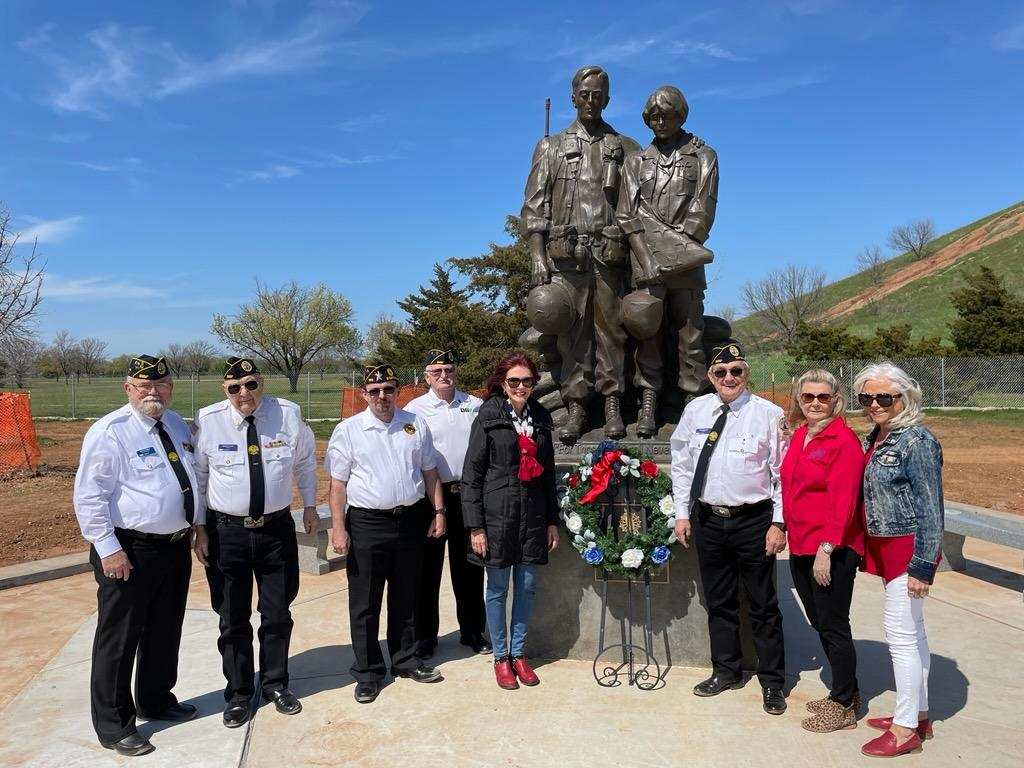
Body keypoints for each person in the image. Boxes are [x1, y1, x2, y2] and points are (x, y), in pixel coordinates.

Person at [72, 355, 200, 757]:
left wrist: (197, 527)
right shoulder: (110, 431)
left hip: (174, 546)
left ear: (171, 388)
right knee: (119, 637)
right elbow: (89, 495)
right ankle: (113, 725)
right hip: (129, 549)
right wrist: (108, 549)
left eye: (160, 385)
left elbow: (189, 476)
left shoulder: (177, 424)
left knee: (164, 629)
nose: (153, 392)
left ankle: (156, 698)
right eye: (143, 386)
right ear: (127, 388)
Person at [191, 357, 318, 727]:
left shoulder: (287, 414)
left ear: (261, 382)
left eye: (250, 384)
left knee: (277, 613)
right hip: (225, 533)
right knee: (232, 618)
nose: (244, 393)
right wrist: (200, 528)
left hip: (276, 532)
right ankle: (239, 693)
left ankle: (276, 683)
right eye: (235, 388)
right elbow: (199, 478)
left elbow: (305, 463)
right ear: (224, 390)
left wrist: (309, 506)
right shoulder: (208, 421)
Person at [521, 65, 640, 441]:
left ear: (608, 98)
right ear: (573, 97)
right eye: (584, 93)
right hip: (566, 258)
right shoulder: (551, 147)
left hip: (609, 255)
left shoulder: (627, 148)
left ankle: (613, 405)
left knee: (612, 334)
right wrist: (538, 257)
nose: (591, 100)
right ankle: (575, 408)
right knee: (572, 338)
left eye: (598, 94)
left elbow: (638, 210)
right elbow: (534, 209)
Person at [669, 343, 788, 715]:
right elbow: (682, 465)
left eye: (735, 371)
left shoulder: (769, 414)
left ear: (746, 372)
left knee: (763, 604)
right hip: (709, 519)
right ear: (710, 377)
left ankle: (772, 683)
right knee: (718, 601)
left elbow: (781, 474)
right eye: (720, 373)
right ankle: (726, 670)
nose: (728, 379)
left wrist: (779, 522)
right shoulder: (696, 410)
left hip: (753, 521)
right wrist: (682, 514)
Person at [326, 364, 447, 704]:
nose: (382, 396)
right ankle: (368, 672)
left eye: (388, 389)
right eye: (375, 391)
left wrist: (438, 511)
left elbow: (429, 471)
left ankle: (405, 660)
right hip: (367, 524)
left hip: (410, 520)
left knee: (406, 595)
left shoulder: (413, 423)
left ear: (397, 391)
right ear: (364, 394)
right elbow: (338, 485)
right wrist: (338, 528)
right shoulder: (349, 430)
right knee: (365, 601)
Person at [617, 85, 718, 437]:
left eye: (668, 115)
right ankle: (648, 402)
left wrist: (676, 252)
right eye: (654, 116)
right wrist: (647, 258)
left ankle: (693, 402)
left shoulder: (704, 156)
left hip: (685, 263)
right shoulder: (635, 162)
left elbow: (703, 210)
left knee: (690, 335)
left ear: (681, 115)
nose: (660, 121)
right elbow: (626, 215)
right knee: (648, 335)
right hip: (645, 264)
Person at [855, 362, 944, 758]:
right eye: (867, 398)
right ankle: (920, 714)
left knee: (901, 639)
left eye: (883, 397)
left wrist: (924, 564)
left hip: (907, 548)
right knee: (915, 635)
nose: (874, 404)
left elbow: (931, 507)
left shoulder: (917, 441)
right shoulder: (879, 436)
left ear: (904, 398)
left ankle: (906, 729)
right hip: (886, 546)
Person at [461, 352, 560, 690]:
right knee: (498, 589)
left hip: (531, 516)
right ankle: (501, 657)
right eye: (514, 381)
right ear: (503, 383)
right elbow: (472, 475)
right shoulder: (488, 416)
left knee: (528, 586)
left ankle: (519, 653)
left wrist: (551, 521)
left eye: (527, 381)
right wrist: (476, 526)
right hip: (497, 517)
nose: (520, 386)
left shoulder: (541, 419)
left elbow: (547, 476)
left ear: (534, 384)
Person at [780, 370, 866, 732]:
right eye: (808, 396)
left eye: (823, 397)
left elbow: (843, 502)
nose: (815, 403)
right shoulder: (800, 435)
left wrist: (826, 549)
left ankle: (846, 703)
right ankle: (842, 692)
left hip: (831, 549)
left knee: (833, 624)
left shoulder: (842, 441)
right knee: (819, 621)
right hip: (801, 546)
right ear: (799, 399)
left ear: (836, 399)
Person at [405, 350, 490, 658]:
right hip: (431, 498)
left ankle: (472, 631)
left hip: (467, 494)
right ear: (426, 375)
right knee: (426, 571)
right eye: (437, 370)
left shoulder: (474, 405)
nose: (444, 375)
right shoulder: (415, 410)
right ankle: (425, 637)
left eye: (449, 369)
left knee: (469, 568)